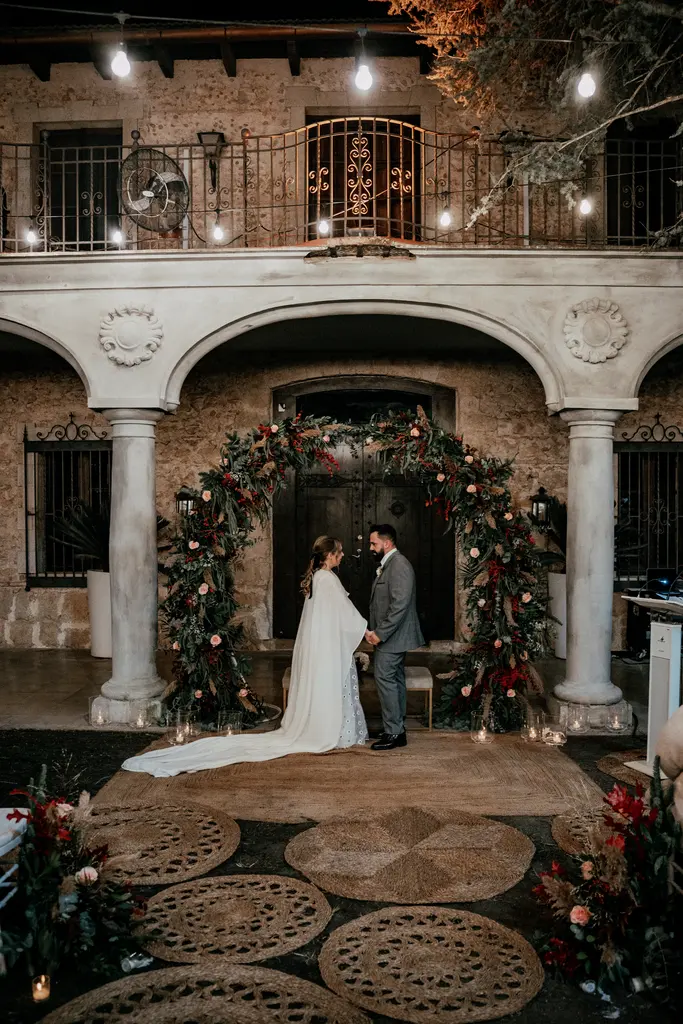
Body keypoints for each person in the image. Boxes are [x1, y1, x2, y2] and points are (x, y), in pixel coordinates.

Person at [122, 536, 368, 777]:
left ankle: (320, 725)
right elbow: (344, 613)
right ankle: (326, 730)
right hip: (325, 646)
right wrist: (366, 631)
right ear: (329, 555)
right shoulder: (327, 578)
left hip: (321, 644)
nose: (343, 555)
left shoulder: (319, 577)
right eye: (340, 551)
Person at [365, 524, 424, 750]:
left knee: (386, 680)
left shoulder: (398, 565)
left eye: (374, 543)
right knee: (395, 681)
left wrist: (380, 633)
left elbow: (400, 605)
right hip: (392, 637)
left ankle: (394, 733)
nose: (371, 547)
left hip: (393, 637)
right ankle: (396, 728)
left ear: (387, 543)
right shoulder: (389, 564)